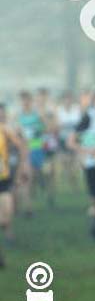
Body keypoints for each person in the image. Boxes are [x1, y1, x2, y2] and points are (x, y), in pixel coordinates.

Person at [69, 90, 95, 241]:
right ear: (94, 103)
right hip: (92, 165)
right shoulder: (88, 117)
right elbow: (71, 141)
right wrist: (88, 151)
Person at [0, 106, 30, 265]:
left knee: (6, 216)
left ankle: (8, 232)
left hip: (3, 179)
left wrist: (22, 166)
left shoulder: (4, 130)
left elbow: (22, 147)